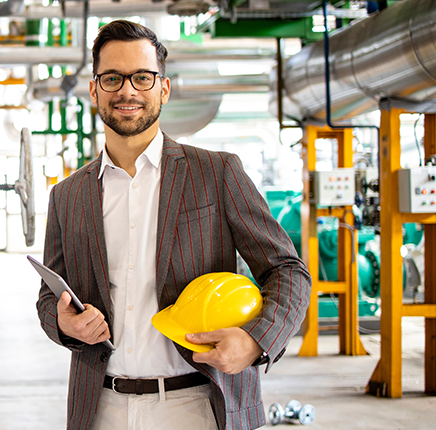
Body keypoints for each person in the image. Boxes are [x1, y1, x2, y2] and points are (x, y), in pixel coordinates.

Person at [35, 20, 311, 430]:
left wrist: (255, 340)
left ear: (163, 88)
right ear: (94, 90)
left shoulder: (216, 173)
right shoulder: (68, 195)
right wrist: (64, 323)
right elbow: (49, 297)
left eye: (142, 77)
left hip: (198, 402)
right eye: (112, 78)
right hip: (101, 407)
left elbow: (287, 270)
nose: (127, 91)